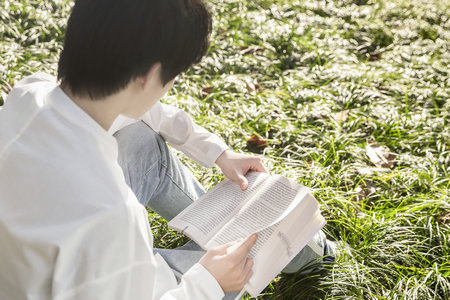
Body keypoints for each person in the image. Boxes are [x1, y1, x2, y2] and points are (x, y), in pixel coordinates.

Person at [0, 0, 333, 299]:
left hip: (28, 256)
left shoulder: (31, 93)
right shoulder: (112, 215)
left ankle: (255, 232)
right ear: (151, 75)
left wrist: (218, 153)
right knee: (238, 259)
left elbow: (143, 109)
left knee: (139, 140)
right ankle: (314, 251)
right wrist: (209, 283)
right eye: (175, 75)